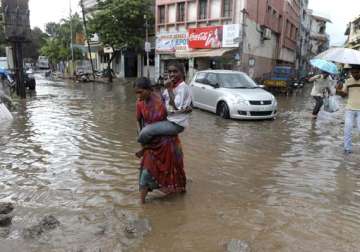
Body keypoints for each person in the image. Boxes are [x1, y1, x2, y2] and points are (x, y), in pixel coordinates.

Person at [134, 77, 186, 203]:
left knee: (175, 171)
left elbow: (176, 113)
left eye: (141, 92)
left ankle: (180, 195)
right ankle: (142, 204)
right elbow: (139, 125)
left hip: (168, 143)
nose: (138, 96)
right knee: (147, 172)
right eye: (136, 93)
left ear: (149, 90)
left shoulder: (162, 99)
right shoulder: (139, 103)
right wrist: (143, 146)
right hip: (151, 144)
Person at [137, 61, 192, 146]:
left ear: (182, 73)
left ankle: (144, 147)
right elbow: (162, 98)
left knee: (146, 131)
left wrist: (169, 88)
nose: (172, 74)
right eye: (170, 72)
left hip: (175, 123)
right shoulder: (172, 86)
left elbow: (176, 106)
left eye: (175, 71)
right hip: (169, 119)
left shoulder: (182, 87)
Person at [341, 64, 360, 154]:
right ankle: (347, 148)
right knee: (347, 128)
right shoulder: (348, 81)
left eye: (356, 72)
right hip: (350, 108)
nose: (354, 74)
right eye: (352, 73)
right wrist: (338, 91)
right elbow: (344, 95)